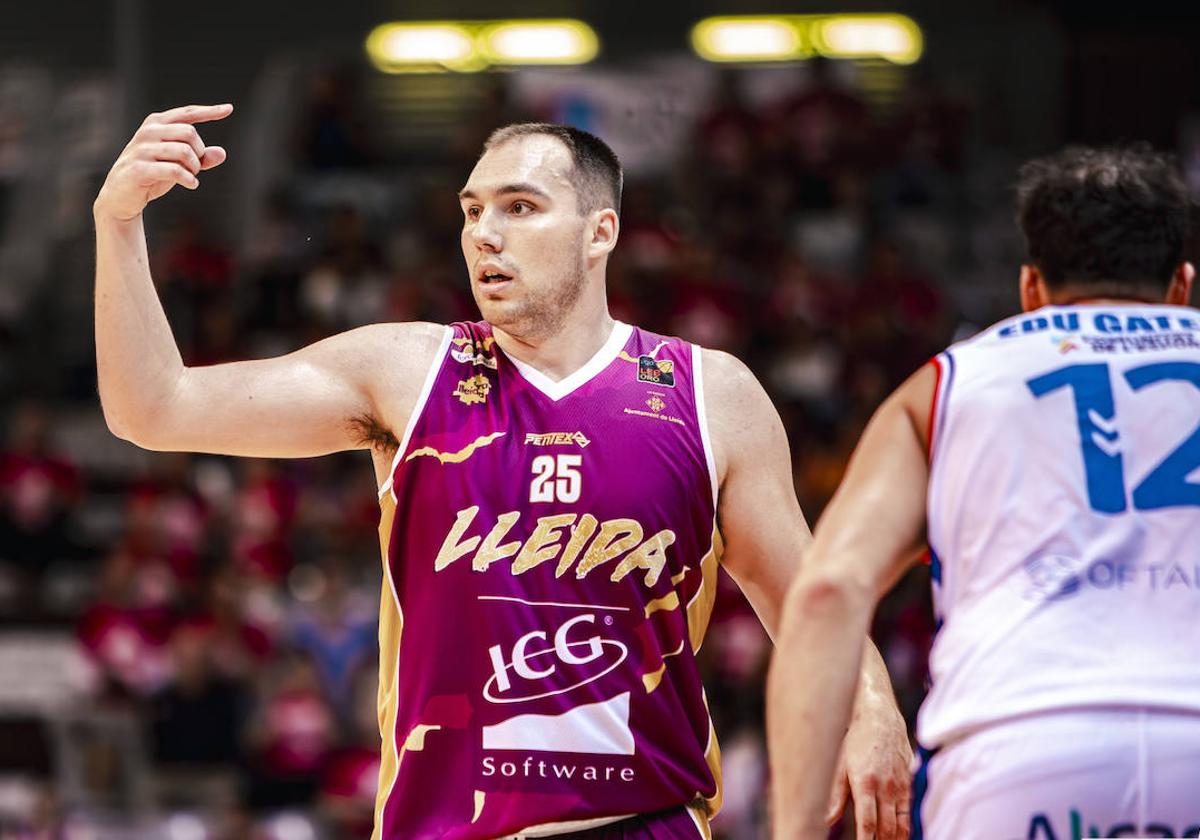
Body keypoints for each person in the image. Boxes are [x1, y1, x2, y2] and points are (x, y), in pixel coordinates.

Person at [93, 104, 911, 839]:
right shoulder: (407, 371)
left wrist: (871, 708)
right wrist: (118, 224)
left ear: (601, 233)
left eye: (520, 208)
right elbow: (153, 409)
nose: (486, 232)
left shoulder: (711, 394)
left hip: (640, 822)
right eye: (473, 211)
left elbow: (806, 600)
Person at [767, 144, 1200, 840]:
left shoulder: (947, 385)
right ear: (1182, 286)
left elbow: (826, 592)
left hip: (1022, 748)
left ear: (1031, 289)